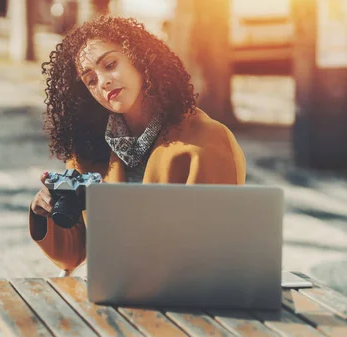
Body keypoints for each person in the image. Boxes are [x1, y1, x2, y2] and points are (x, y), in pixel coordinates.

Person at [29, 16, 247, 273]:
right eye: (90, 80)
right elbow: (73, 254)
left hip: (186, 295)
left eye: (110, 64)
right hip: (114, 292)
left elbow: (213, 249)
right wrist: (44, 213)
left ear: (140, 58)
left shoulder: (206, 140)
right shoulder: (88, 151)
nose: (103, 82)